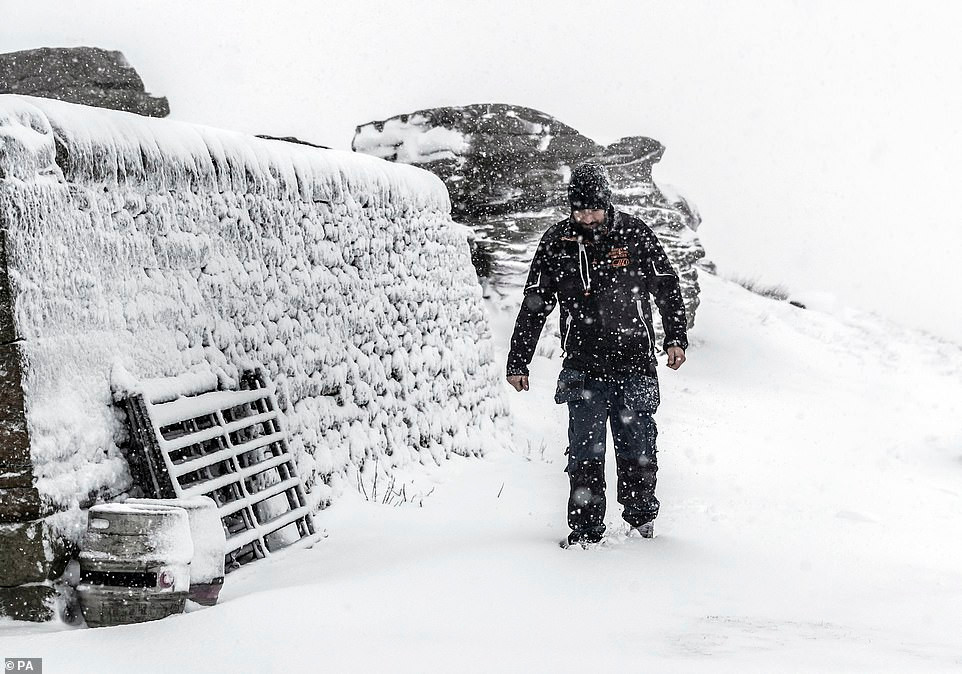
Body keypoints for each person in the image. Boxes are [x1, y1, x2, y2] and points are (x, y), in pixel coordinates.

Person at [505, 162, 689, 548]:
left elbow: (667, 288)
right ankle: (586, 532)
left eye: (594, 208)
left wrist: (675, 338)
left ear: (608, 203)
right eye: (579, 209)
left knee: (638, 450)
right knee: (585, 454)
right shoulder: (557, 241)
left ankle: (642, 520)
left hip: (635, 363)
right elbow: (535, 304)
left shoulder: (635, 235)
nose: (586, 216)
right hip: (583, 368)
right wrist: (518, 359)